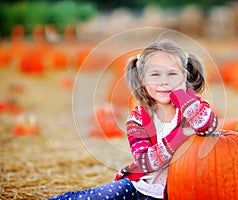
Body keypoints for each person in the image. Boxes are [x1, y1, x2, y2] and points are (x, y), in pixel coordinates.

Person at [49, 39, 218, 200]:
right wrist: (180, 136)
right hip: (139, 188)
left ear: (184, 76)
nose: (164, 82)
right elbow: (145, 161)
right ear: (142, 80)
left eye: (172, 74)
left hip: (179, 193)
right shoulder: (138, 118)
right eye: (155, 75)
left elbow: (207, 126)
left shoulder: (193, 108)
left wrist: (183, 95)